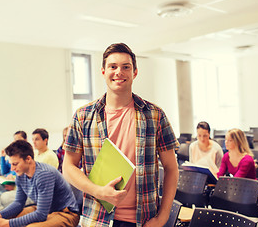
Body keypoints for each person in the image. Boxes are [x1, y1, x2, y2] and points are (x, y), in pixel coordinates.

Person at [62, 43, 179, 227]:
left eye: (126, 67)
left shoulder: (155, 115)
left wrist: (162, 218)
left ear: (135, 72)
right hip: (97, 219)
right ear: (103, 71)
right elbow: (68, 167)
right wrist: (98, 191)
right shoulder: (83, 116)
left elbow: (171, 168)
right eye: (113, 66)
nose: (119, 72)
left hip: (144, 221)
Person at [0, 140, 80, 227]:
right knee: (8, 218)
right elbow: (18, 203)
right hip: (47, 210)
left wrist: (7, 224)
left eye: (15, 164)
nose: (12, 169)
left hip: (66, 214)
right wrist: (0, 214)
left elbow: (41, 215)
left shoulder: (44, 174)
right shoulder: (21, 175)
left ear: (28, 159)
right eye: (11, 164)